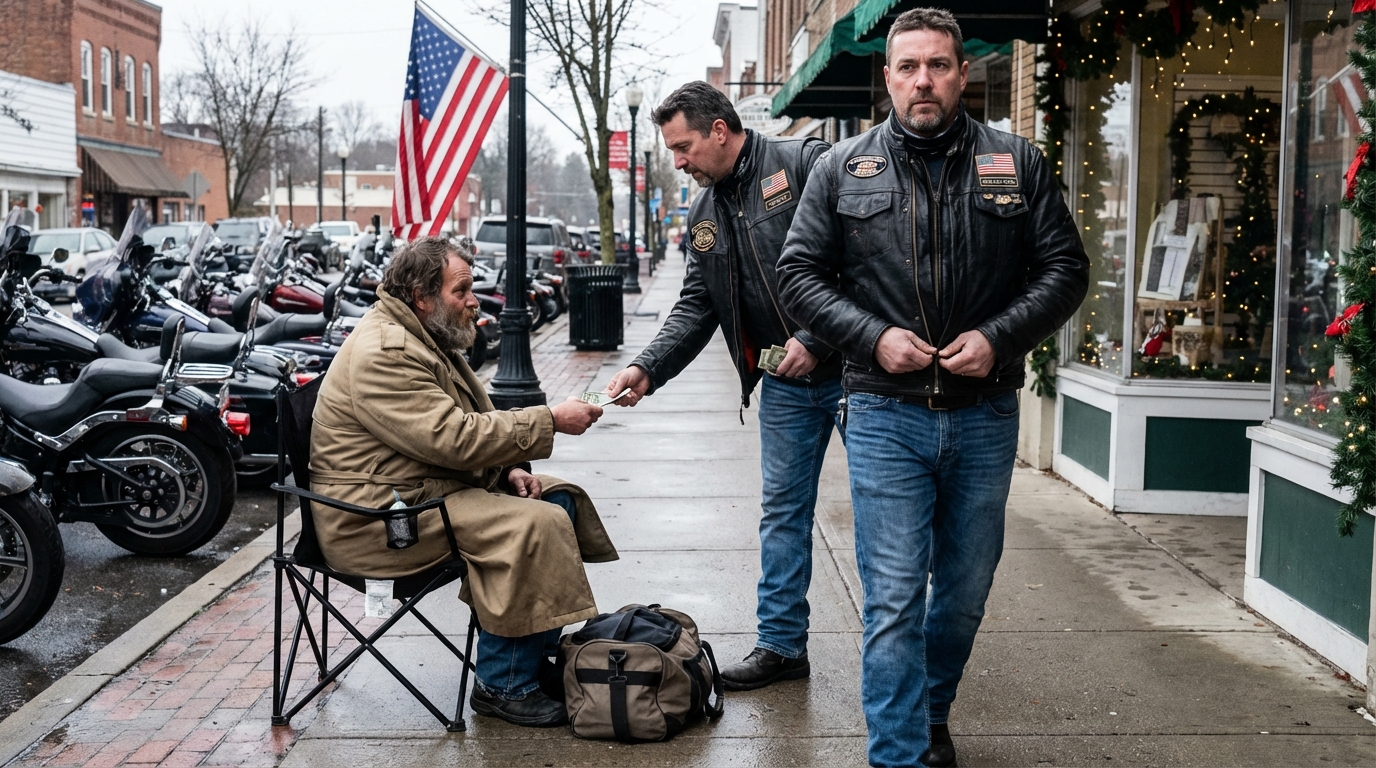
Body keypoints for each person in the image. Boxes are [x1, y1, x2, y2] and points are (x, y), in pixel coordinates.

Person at [776, 8, 1090, 767]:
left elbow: (1065, 270)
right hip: (885, 414)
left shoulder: (1017, 163)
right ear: (887, 77)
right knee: (891, 602)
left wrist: (999, 335)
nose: (924, 80)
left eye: (939, 65)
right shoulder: (841, 167)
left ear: (963, 72)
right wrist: (872, 337)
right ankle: (899, 754)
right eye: (909, 66)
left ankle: (930, 710)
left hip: (984, 417)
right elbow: (797, 274)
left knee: (963, 595)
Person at [310, 235, 617, 728]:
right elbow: (450, 438)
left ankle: (528, 665)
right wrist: (550, 421)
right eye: (463, 290)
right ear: (421, 295)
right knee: (530, 526)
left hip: (418, 491)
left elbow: (465, 423)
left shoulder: (421, 333)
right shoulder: (386, 349)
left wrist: (509, 467)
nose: (474, 301)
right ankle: (503, 685)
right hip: (378, 519)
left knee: (560, 500)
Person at [601, 81, 840, 692]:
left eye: (682, 147)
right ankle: (782, 646)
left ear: (718, 130)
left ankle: (903, 652)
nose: (677, 162)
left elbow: (863, 260)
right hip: (782, 379)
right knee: (782, 513)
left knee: (883, 516)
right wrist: (646, 367)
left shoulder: (803, 164)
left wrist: (818, 338)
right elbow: (696, 304)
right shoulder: (704, 211)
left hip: (856, 371)